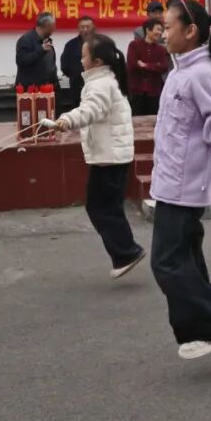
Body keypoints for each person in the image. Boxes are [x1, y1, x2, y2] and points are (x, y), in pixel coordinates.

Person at [150, 0, 211, 360]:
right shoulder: (179, 71)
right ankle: (209, 324)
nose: (162, 33)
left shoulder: (202, 74)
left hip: (184, 187)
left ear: (190, 31)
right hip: (171, 181)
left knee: (166, 263)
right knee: (186, 259)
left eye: (168, 27)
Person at [54, 34, 145, 279]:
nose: (80, 59)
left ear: (96, 61)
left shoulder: (100, 84)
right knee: (107, 207)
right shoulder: (105, 79)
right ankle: (126, 251)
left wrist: (67, 119)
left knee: (100, 207)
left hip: (109, 157)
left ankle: (127, 252)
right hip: (110, 154)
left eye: (84, 55)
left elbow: (91, 110)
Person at [127, 19, 169, 116]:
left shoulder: (161, 49)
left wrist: (145, 65)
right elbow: (132, 65)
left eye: (161, 30)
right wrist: (155, 66)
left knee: (153, 120)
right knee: (135, 120)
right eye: (158, 29)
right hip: (136, 92)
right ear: (148, 30)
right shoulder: (134, 45)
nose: (160, 33)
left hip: (154, 92)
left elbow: (164, 67)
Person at [15, 12, 58, 88]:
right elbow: (21, 61)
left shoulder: (47, 40)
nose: (54, 28)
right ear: (47, 25)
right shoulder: (25, 40)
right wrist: (41, 50)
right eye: (53, 25)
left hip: (48, 88)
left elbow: (51, 66)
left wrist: (56, 85)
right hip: (30, 89)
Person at [60, 15, 95, 104]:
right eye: (82, 27)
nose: (85, 30)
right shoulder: (70, 45)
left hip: (96, 85)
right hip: (76, 88)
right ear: (78, 28)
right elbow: (64, 66)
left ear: (93, 27)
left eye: (88, 27)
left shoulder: (101, 43)